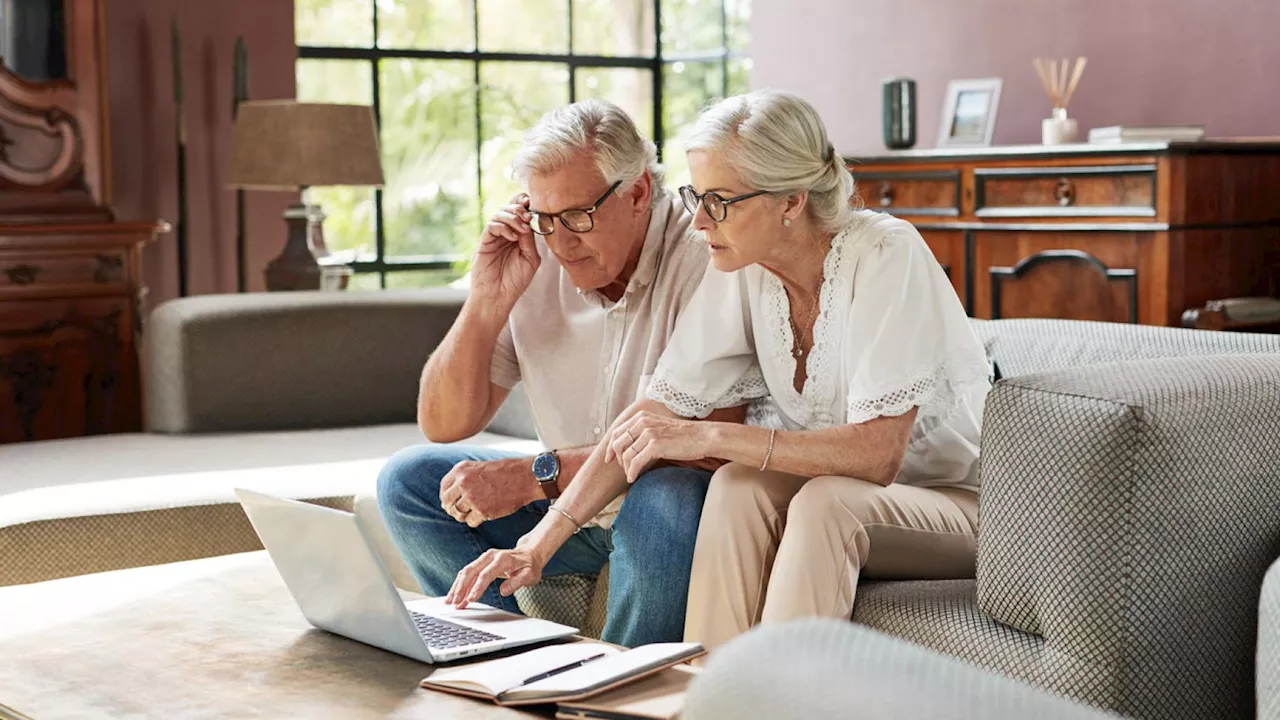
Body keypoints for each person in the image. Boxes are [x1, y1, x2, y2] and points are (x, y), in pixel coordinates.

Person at [444, 90, 992, 652]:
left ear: (791, 200)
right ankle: (705, 695)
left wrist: (707, 434)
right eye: (695, 197)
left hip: (957, 505)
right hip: (851, 494)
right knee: (737, 484)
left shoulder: (885, 254)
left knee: (825, 504)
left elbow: (878, 456)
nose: (699, 220)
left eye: (720, 201)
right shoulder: (744, 267)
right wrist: (537, 544)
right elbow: (651, 418)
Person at [376, 100, 738, 648]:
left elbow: (706, 441)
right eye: (545, 218)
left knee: (670, 492)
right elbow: (444, 423)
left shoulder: (705, 253)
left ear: (638, 192)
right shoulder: (538, 250)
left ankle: (610, 695)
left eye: (577, 217)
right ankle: (506, 664)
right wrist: (486, 299)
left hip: (667, 514)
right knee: (410, 481)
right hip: (568, 510)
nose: (561, 242)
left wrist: (534, 475)